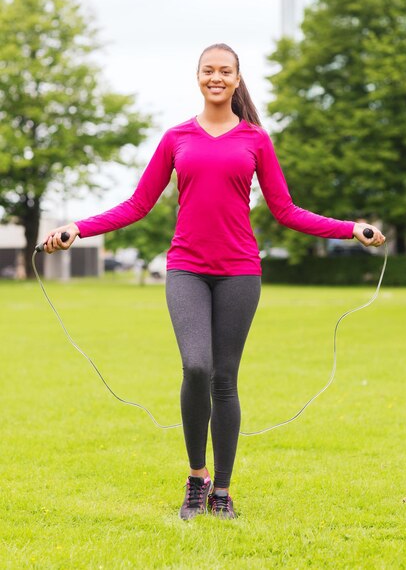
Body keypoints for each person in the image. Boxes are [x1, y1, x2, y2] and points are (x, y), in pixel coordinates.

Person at [43, 43, 386, 520]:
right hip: (186, 269)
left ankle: (222, 490)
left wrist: (350, 228)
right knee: (196, 367)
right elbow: (137, 205)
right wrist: (79, 227)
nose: (217, 77)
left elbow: (285, 210)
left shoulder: (256, 140)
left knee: (224, 378)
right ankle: (196, 477)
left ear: (238, 78)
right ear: (198, 77)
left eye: (226, 71)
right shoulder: (176, 138)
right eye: (209, 70)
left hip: (240, 272)